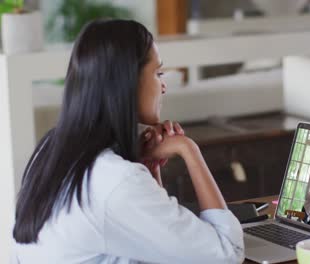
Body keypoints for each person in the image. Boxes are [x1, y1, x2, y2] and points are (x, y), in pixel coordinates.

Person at [12, 19, 244, 264]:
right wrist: (189, 150)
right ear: (127, 82)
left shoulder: (51, 150)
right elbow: (227, 253)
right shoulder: (116, 180)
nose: (163, 86)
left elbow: (159, 246)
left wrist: (151, 169)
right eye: (158, 73)